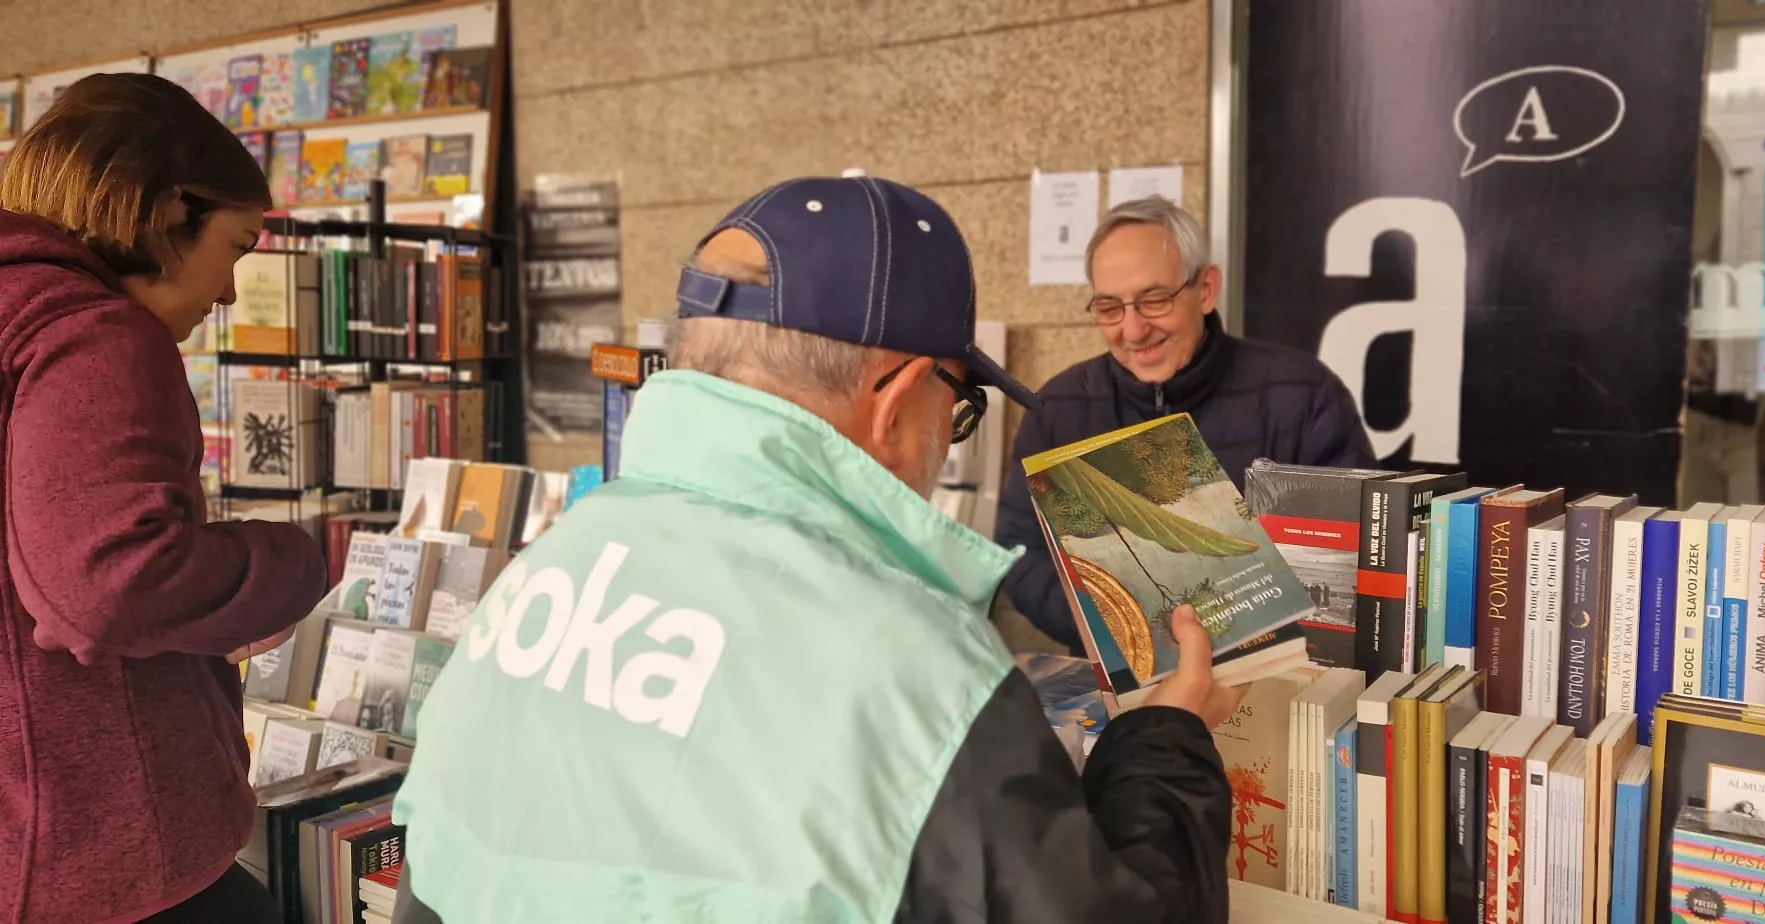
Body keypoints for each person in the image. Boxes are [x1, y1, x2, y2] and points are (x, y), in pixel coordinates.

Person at [390, 177, 1242, 923]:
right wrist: (1162, 738)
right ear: (901, 401)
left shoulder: (546, 569)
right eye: (961, 408)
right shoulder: (916, 673)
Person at [0, 74, 329, 922]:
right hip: (102, 846)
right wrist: (301, 557)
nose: (226, 292)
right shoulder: (94, 336)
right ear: (170, 210)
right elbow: (109, 583)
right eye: (238, 246)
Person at [997, 195, 1377, 654]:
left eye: (1154, 300)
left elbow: (1354, 549)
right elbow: (1019, 552)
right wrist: (1119, 629)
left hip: (1280, 672)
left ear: (1206, 289)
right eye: (1109, 308)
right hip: (1125, 671)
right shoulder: (1059, 407)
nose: (1133, 331)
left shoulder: (1302, 394)